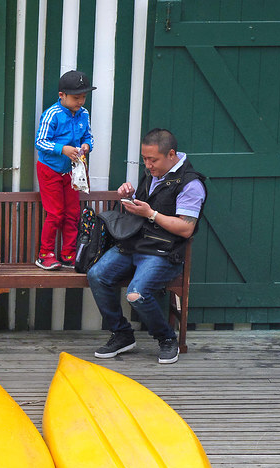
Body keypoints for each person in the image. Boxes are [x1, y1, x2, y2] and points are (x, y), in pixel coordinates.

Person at [88, 128, 207, 364]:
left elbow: (186, 228)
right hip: (135, 244)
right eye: (144, 158)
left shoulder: (191, 184)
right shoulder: (153, 173)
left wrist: (151, 213)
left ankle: (166, 339)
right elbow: (143, 210)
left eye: (153, 159)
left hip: (163, 253)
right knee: (97, 275)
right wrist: (130, 196)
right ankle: (122, 334)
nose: (148, 164)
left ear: (171, 154)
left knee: (137, 293)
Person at [34, 70, 96, 270]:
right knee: (55, 213)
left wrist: (86, 146)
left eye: (84, 97)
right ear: (62, 95)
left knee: (72, 212)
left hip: (72, 171)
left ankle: (68, 254)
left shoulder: (84, 114)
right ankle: (45, 255)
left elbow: (88, 136)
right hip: (50, 170)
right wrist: (62, 149)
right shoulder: (52, 114)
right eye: (76, 97)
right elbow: (40, 142)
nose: (81, 101)